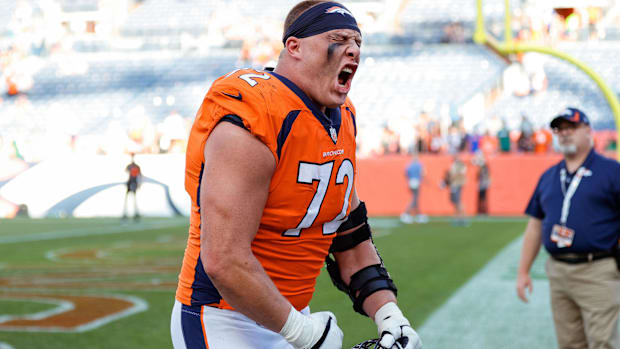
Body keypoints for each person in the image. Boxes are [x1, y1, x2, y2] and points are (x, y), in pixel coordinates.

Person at [170, 2, 422, 349]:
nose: (353, 50)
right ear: (295, 46)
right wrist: (301, 332)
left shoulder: (341, 116)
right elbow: (224, 260)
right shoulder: (253, 115)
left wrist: (391, 316)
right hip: (223, 319)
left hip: (290, 315)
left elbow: (349, 232)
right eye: (338, 38)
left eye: (358, 42)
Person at [516, 107, 620, 349]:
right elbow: (535, 225)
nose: (564, 134)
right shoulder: (549, 176)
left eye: (571, 127)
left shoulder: (612, 171)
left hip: (597, 270)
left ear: (588, 131)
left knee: (603, 343)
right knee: (569, 344)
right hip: (558, 272)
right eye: (559, 129)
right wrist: (523, 272)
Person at [401, 153, 427, 224]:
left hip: (411, 182)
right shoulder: (419, 165)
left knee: (415, 199)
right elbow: (423, 174)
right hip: (416, 182)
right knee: (415, 199)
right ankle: (406, 213)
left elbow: (406, 174)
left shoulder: (409, 165)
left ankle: (418, 214)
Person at [445, 154, 467, 226]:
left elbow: (455, 175)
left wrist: (449, 180)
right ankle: (458, 218)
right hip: (455, 185)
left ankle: (462, 218)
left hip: (456, 184)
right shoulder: (458, 165)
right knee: (456, 202)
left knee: (458, 202)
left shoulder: (458, 165)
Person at [122, 153, 141, 220]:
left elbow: (139, 176)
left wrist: (138, 184)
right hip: (129, 183)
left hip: (133, 183)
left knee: (134, 199)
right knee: (126, 199)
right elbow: (125, 174)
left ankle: (135, 214)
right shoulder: (129, 166)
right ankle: (125, 214)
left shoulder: (136, 166)